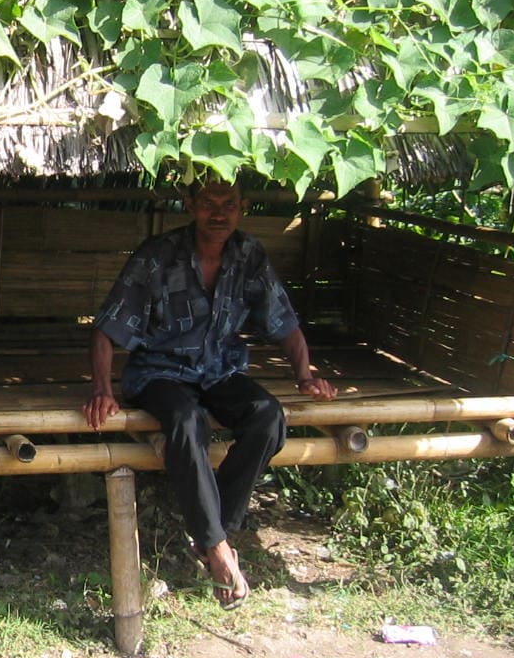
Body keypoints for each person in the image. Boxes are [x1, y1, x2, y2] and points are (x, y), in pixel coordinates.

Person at [83, 178, 336, 609]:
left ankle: (213, 536)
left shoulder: (248, 254)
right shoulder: (158, 255)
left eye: (228, 204)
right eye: (208, 203)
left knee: (268, 417)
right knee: (187, 420)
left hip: (219, 368)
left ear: (243, 207)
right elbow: (107, 328)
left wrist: (305, 376)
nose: (218, 213)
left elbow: (284, 321)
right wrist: (103, 390)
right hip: (160, 371)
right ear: (190, 205)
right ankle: (218, 547)